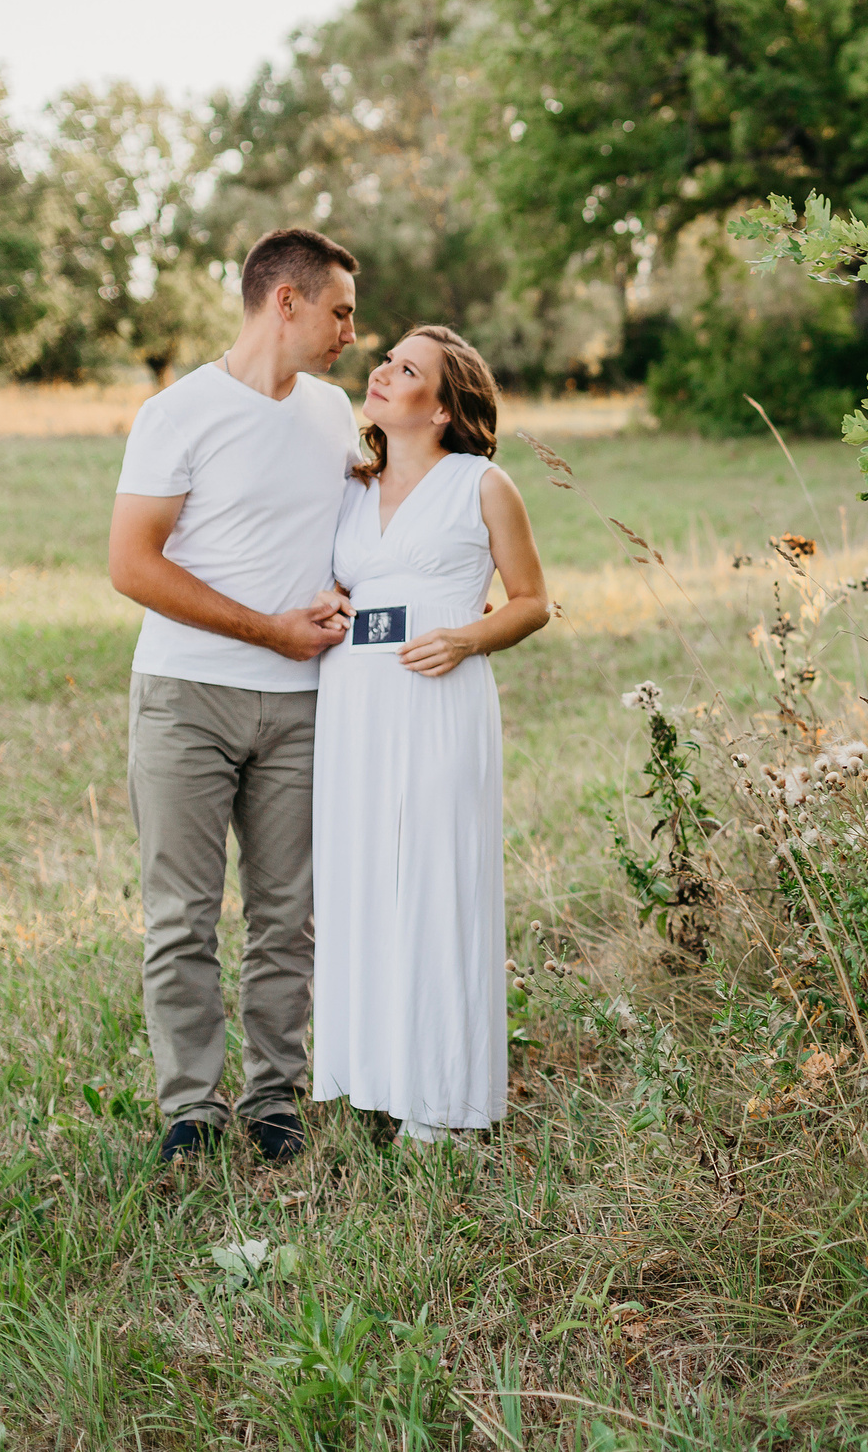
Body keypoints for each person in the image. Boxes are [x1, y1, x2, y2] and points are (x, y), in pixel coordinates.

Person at [108, 227, 360, 1164]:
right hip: (186, 697)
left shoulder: (337, 413)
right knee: (181, 913)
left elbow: (354, 532)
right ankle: (190, 1108)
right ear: (284, 301)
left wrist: (348, 591)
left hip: (301, 702)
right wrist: (268, 628)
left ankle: (274, 1097)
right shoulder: (177, 414)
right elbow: (131, 565)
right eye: (338, 310)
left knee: (287, 909)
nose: (349, 331)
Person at [312, 325, 549, 1144]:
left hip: (440, 699)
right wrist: (328, 604)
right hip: (353, 708)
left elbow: (530, 600)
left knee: (438, 882)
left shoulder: (482, 486)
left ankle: (443, 1101)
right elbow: (335, 584)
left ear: (443, 408)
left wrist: (466, 638)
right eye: (385, 359)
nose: (380, 371)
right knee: (367, 880)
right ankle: (377, 1075)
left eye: (406, 369)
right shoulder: (349, 486)